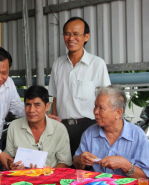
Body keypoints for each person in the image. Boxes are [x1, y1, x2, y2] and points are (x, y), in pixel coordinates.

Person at [48, 17, 111, 156]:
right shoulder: (58, 64)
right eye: (67, 34)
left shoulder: (97, 64)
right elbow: (55, 98)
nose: (71, 38)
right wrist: (55, 126)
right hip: (62, 127)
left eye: (76, 34)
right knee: (64, 168)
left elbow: (106, 99)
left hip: (89, 127)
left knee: (89, 170)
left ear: (86, 36)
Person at [73, 85, 149, 179]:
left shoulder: (137, 135)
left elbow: (146, 177)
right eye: (95, 106)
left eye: (101, 108)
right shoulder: (89, 133)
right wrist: (80, 160)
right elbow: (76, 165)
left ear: (118, 113)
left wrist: (125, 165)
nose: (95, 111)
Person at [5, 85, 72, 169]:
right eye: (28, 105)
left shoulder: (59, 129)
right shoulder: (14, 126)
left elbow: (64, 163)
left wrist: (46, 174)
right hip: (22, 179)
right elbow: (9, 158)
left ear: (47, 106)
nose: (31, 110)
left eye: (37, 105)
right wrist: (12, 165)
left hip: (50, 179)